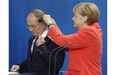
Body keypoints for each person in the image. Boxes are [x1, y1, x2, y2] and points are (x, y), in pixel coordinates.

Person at [43, 2, 103, 75]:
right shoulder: (92, 31)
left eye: (75, 16)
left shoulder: (89, 32)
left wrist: (49, 24)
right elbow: (66, 43)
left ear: (84, 18)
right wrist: (54, 25)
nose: (73, 18)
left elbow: (62, 41)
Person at [10, 9, 65, 75]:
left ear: (43, 24)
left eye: (33, 26)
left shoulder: (55, 39)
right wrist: (20, 66)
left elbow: (58, 64)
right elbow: (32, 62)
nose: (30, 29)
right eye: (28, 26)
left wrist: (42, 47)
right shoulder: (31, 40)